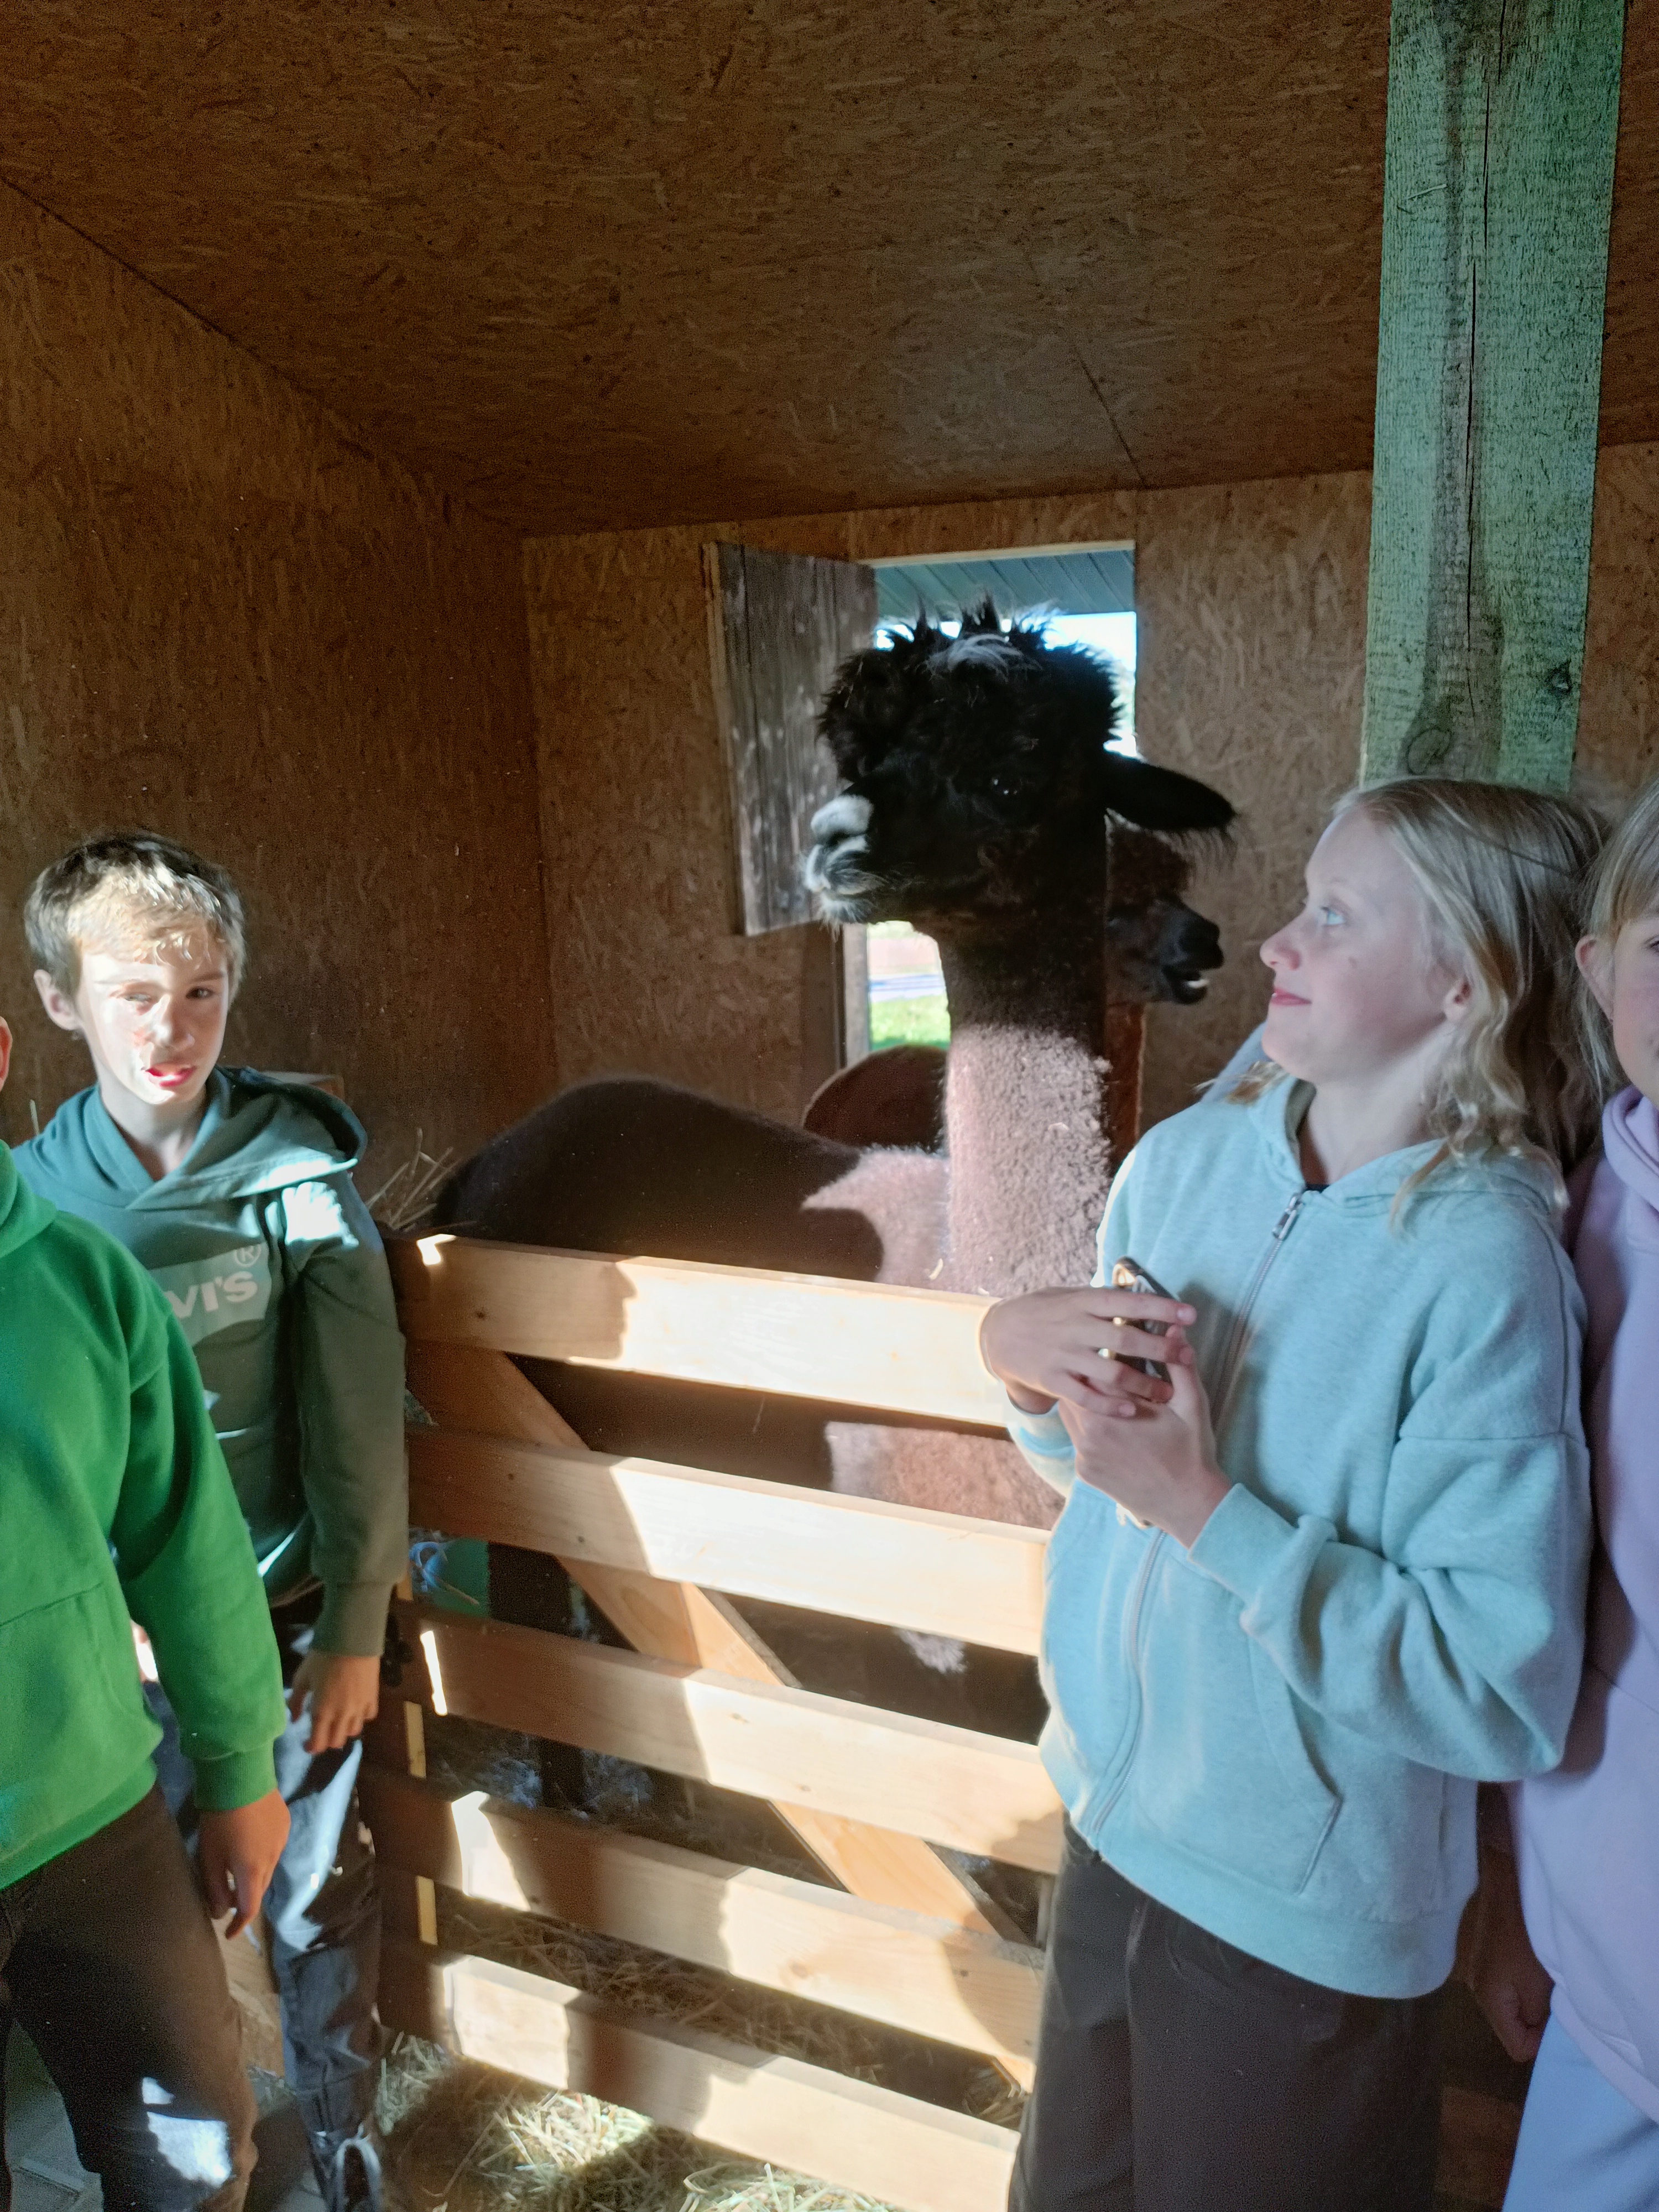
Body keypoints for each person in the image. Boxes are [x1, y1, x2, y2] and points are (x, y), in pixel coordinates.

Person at [978, 778, 1603, 2212]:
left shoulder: (1485, 1272)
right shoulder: (1185, 1165)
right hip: (1112, 1825)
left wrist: (1207, 1509)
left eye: (1333, 914)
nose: (1276, 942)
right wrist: (1024, 1374)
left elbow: (1496, 1689)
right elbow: (1105, 1476)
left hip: (1302, 1920)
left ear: (1463, 982)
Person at [14, 831, 407, 2212]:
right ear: (58, 1002)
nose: (170, 1030)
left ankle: (350, 2152)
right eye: (133, 995)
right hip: (111, 1651)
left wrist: (356, 1620)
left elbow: (358, 1416)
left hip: (286, 1614)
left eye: (202, 994)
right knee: (167, 1918)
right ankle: (215, 2135)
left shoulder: (296, 1179)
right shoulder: (40, 1205)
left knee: (313, 1891)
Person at [0, 993, 288, 2212]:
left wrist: (238, 1768)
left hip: (92, 1812)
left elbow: (187, 1539)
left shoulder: (81, 1280)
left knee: (198, 2151)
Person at [1460, 779, 1659, 2210]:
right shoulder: (1562, 1238)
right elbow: (1522, 1594)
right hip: (1610, 1976)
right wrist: (1509, 1898)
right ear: (1596, 969)